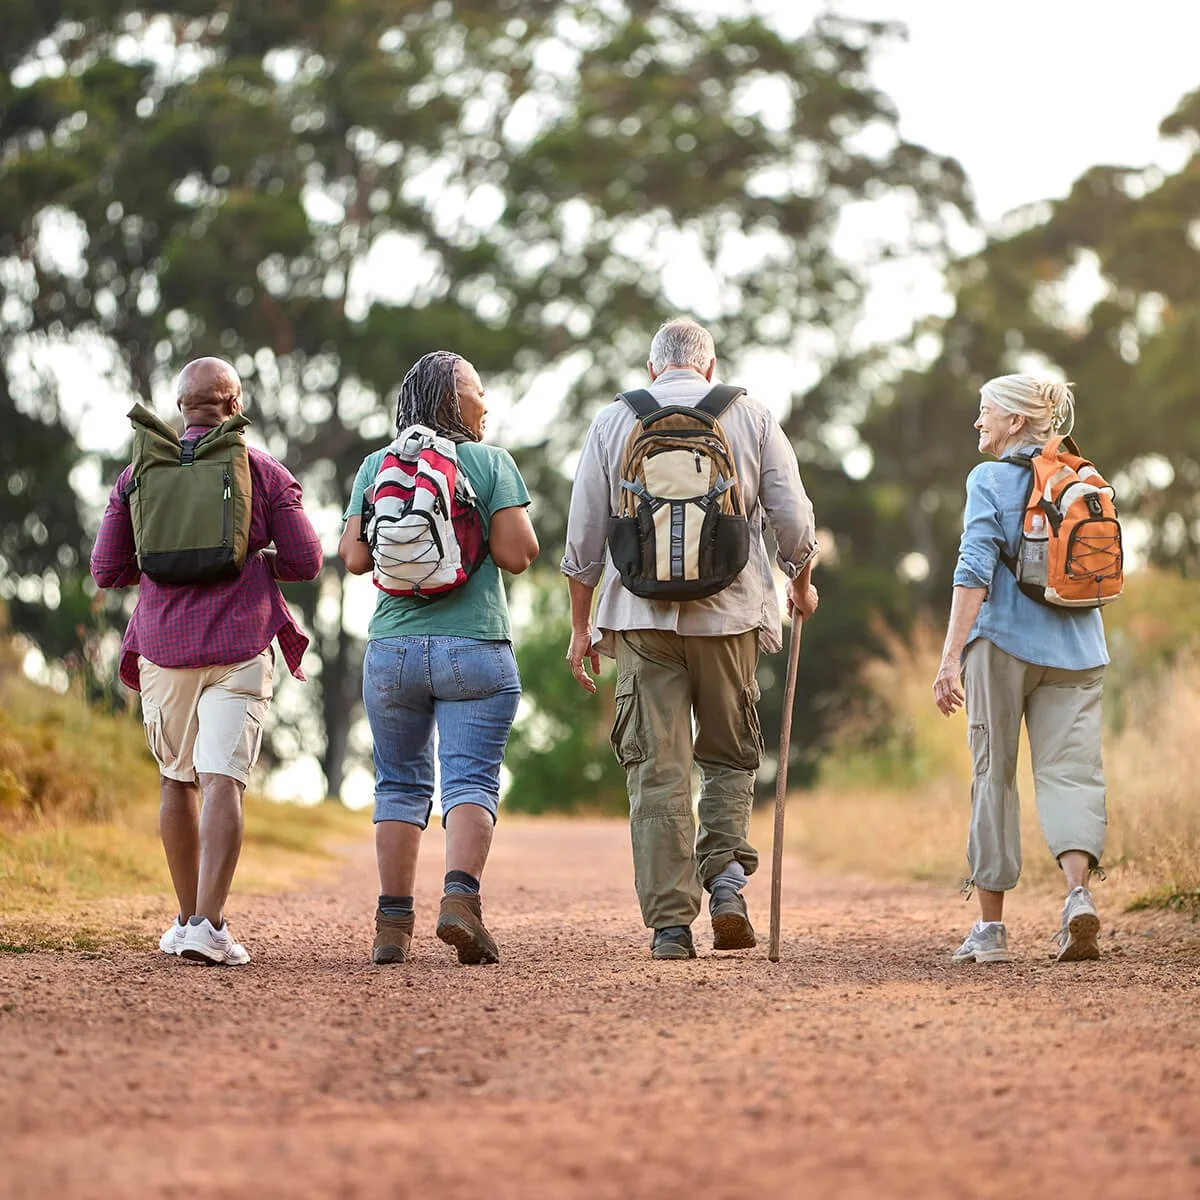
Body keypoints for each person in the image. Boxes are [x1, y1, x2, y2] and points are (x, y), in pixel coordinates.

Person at [561, 317, 818, 961]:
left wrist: (580, 628)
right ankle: (727, 881)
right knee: (730, 755)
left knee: (657, 767)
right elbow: (793, 517)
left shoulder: (615, 420)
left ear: (654, 371)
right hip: (730, 616)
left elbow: (583, 535)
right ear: (709, 367)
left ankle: (671, 926)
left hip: (640, 620)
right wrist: (801, 580)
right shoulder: (750, 414)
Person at [91, 357, 323, 966]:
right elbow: (307, 560)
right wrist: (255, 559)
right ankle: (209, 925)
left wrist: (163, 562)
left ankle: (185, 917)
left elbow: (106, 570)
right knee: (224, 779)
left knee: (177, 779)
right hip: (240, 649)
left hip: (164, 650)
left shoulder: (137, 477)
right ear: (235, 405)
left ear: (180, 408)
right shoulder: (264, 472)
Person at [339, 350, 538, 967]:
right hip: (474, 645)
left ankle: (391, 925)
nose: (486, 403)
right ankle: (460, 901)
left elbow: (352, 558)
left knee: (398, 784)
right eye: (477, 391)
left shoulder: (377, 464)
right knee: (470, 780)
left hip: (393, 649)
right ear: (454, 401)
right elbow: (518, 555)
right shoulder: (490, 462)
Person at [933, 374, 1109, 964]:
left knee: (994, 776)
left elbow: (974, 568)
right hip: (1081, 649)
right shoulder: (1081, 478)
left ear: (1014, 422)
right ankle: (1077, 896)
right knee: (1072, 774)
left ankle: (990, 932)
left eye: (985, 413)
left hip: (1004, 646)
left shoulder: (987, 479)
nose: (977, 423)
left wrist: (950, 657)